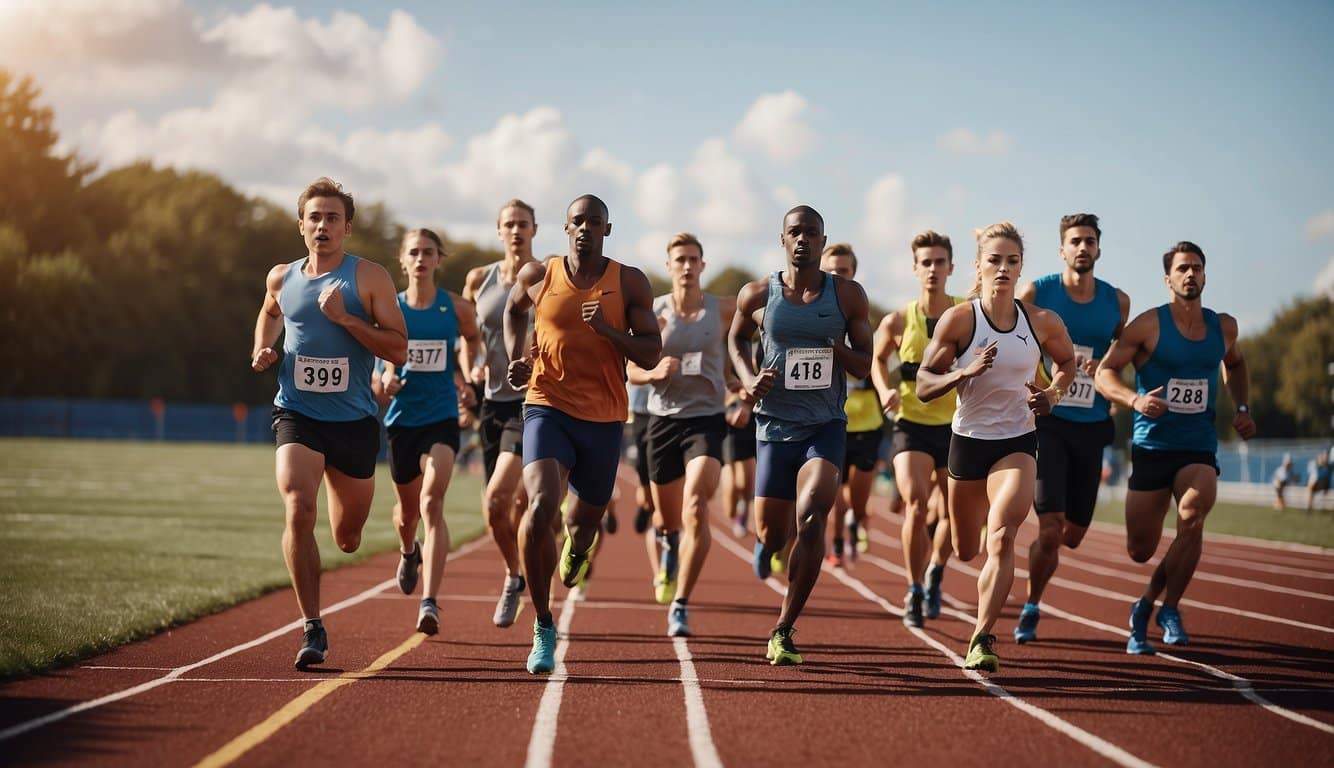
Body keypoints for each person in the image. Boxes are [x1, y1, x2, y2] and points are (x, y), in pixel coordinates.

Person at [250, 177, 407, 669]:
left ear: (347, 228)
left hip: (355, 421)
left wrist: (345, 319)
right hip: (296, 411)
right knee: (298, 507)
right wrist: (262, 347)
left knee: (347, 537)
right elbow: (270, 313)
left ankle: (352, 543)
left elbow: (398, 348)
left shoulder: (370, 279)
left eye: (332, 218)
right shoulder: (282, 277)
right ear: (301, 226)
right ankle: (312, 625)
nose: (322, 226)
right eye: (314, 217)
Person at [504, 194, 661, 674]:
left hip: (605, 417)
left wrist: (611, 333)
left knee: (584, 522)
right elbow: (512, 311)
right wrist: (516, 358)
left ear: (607, 229)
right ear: (565, 227)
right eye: (577, 222)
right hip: (546, 404)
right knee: (539, 505)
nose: (585, 229)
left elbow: (651, 353)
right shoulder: (539, 275)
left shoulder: (629, 281)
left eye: (595, 222)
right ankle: (544, 625)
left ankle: (578, 545)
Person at [915, 221, 1076, 672]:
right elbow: (924, 383)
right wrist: (960, 375)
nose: (1003, 269)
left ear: (1021, 266)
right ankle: (941, 567)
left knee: (1003, 535)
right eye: (994, 260)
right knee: (967, 548)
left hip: (1018, 442)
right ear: (979, 266)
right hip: (968, 442)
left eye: (1012, 261)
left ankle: (982, 636)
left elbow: (1066, 363)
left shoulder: (1041, 321)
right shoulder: (961, 319)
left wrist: (1053, 395)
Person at [729, 205, 873, 665]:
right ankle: (767, 545)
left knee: (812, 515)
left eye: (811, 233)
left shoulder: (848, 297)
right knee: (772, 532)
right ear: (783, 239)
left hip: (824, 425)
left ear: (823, 240)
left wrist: (836, 348)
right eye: (795, 233)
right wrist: (747, 382)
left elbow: (866, 363)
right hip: (773, 426)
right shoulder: (757, 294)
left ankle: (783, 627)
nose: (803, 240)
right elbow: (734, 341)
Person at [1096, 241, 1256, 654]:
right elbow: (1104, 372)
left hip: (1197, 448)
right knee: (1140, 549)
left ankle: (1164, 607)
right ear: (1167, 279)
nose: (1191, 274)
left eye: (1197, 268)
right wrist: (1134, 400)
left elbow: (1235, 364)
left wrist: (1241, 406)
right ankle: (1145, 601)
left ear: (1205, 276)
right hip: (1152, 448)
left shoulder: (1224, 327)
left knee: (1192, 516)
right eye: (1183, 268)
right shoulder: (1148, 326)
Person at [1012, 214, 1131, 644]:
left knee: (1074, 535)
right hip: (1050, 420)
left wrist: (1107, 367)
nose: (1083, 248)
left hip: (1092, 423)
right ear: (1062, 249)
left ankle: (1039, 580)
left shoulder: (1117, 301)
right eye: (1075, 241)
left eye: (1090, 241)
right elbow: (1016, 340)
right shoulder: (1037, 292)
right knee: (1050, 526)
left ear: (1099, 249)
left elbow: (1123, 347)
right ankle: (1031, 604)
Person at [373, 229, 480, 634]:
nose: (421, 258)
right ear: (402, 260)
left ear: (439, 259)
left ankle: (430, 603)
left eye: (428, 252)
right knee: (407, 514)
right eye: (413, 252)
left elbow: (473, 341)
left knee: (433, 502)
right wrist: (386, 381)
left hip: (441, 417)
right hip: (402, 420)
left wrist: (468, 377)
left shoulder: (455, 308)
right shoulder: (389, 308)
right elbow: (378, 364)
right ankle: (408, 549)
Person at [628, 232, 734, 636]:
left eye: (693, 259)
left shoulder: (721, 310)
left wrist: (739, 385)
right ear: (669, 266)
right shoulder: (653, 314)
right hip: (662, 422)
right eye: (680, 260)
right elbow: (632, 370)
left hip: (706, 419)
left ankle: (681, 602)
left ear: (702, 266)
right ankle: (669, 546)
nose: (687, 266)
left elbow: (753, 326)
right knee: (667, 518)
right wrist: (653, 373)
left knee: (696, 505)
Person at [871, 230, 964, 626]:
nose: (932, 269)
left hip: (957, 426)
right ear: (914, 268)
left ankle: (935, 571)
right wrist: (884, 390)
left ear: (950, 268)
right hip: (910, 424)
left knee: (954, 517)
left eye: (939, 262)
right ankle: (913, 589)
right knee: (915, 503)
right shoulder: (897, 320)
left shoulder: (966, 314)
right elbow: (876, 361)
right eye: (925, 262)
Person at [461, 199, 537, 627]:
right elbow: (467, 335)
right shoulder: (480, 279)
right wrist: (469, 365)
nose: (515, 231)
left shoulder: (546, 276)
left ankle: (527, 580)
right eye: (508, 224)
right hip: (492, 402)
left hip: (532, 402)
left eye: (522, 224)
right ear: (498, 230)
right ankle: (515, 574)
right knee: (497, 511)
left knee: (504, 497)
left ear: (534, 229)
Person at [819, 243, 882, 569]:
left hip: (867, 426)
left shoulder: (862, 321)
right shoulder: (812, 320)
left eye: (842, 271)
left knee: (857, 499)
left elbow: (878, 368)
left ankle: (860, 519)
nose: (836, 277)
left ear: (853, 275)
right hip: (833, 422)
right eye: (830, 271)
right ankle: (839, 544)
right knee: (836, 497)